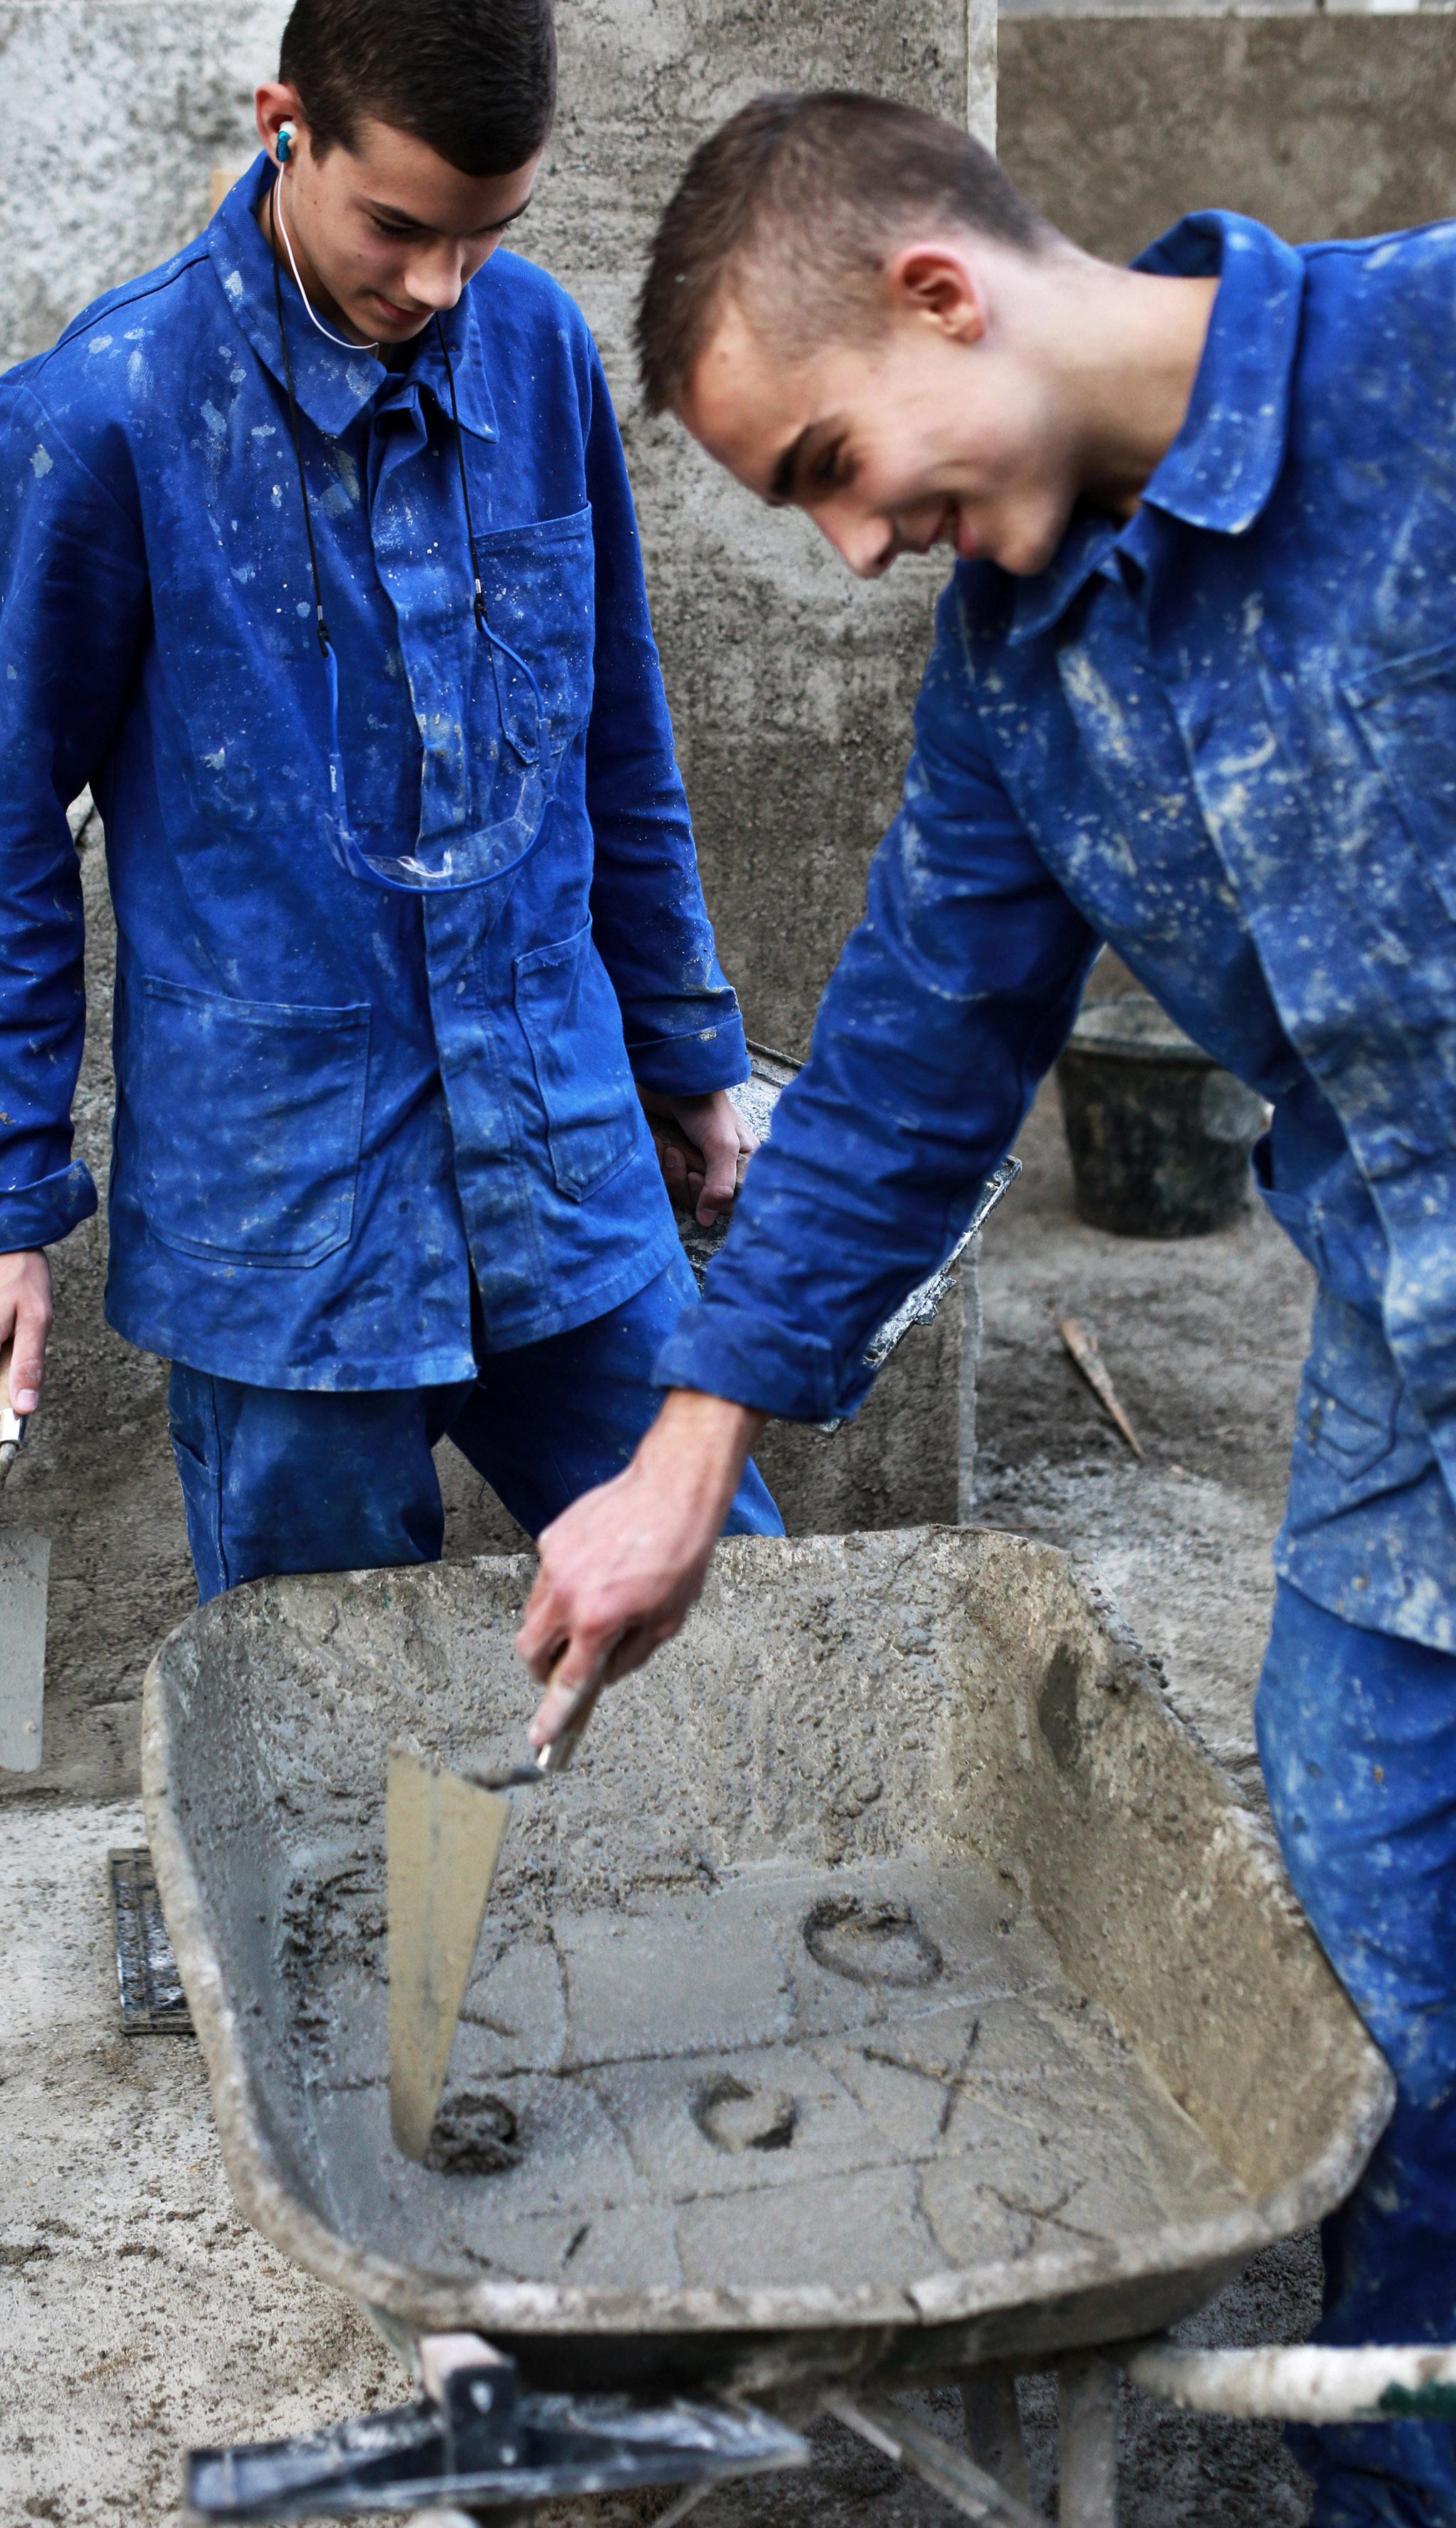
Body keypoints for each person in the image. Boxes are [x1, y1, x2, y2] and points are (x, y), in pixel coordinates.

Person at [518, 92, 1456, 2528]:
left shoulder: (1427, 373)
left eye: (828, 461)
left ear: (943, 291)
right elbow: (910, 1066)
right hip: (1401, 1397)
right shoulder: (1021, 677)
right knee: (1383, 2025)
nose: (845, 544)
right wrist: (680, 1462)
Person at [0, 0, 781, 1595]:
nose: (438, 284)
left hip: (565, 1165)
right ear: (283, 124)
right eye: (397, 227)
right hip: (286, 1224)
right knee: (335, 1742)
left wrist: (681, 1047)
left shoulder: (531, 350)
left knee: (736, 1615)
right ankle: (406, 1864)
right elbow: (7, 841)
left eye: (484, 233)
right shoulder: (101, 416)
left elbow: (615, 735)